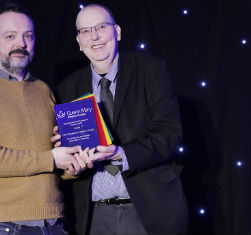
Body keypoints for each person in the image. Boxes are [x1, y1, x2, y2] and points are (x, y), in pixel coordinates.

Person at [53, 3, 188, 235]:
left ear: (117, 32)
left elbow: (170, 134)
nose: (94, 36)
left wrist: (121, 154)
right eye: (85, 31)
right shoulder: (66, 89)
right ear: (78, 41)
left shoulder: (151, 70)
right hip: (94, 216)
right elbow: (68, 161)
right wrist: (68, 155)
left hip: (149, 211)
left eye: (101, 27)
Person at [0, 2, 88, 235]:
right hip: (5, 225)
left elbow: (56, 161)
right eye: (10, 36)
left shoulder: (43, 89)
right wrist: (52, 159)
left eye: (28, 35)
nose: (21, 44)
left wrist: (74, 165)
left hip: (55, 223)